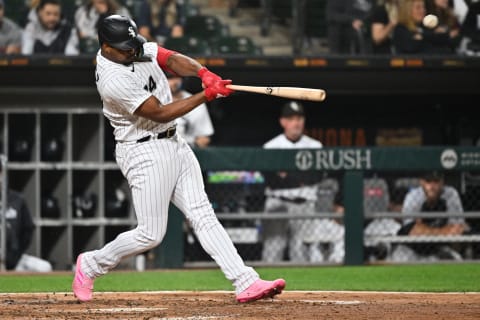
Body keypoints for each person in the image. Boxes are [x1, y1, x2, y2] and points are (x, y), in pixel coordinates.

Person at [72, 14, 285, 303]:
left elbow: (170, 58)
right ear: (105, 46)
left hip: (173, 142)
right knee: (150, 235)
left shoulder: (133, 47)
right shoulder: (112, 79)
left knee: (202, 213)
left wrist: (203, 73)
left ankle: (245, 281)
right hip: (142, 150)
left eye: (132, 45)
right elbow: (158, 112)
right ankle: (91, 264)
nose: (131, 51)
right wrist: (205, 96)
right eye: (124, 47)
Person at [261, 101, 325, 263]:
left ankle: (304, 288)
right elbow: (271, 180)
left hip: (304, 205)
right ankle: (266, 286)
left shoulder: (315, 146)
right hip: (277, 204)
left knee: (301, 253)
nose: (296, 123)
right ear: (283, 121)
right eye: (291, 118)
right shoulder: (270, 147)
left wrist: (287, 175)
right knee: (272, 251)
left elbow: (316, 177)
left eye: (299, 118)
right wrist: (299, 177)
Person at [391, 171, 469, 262]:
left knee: (457, 260)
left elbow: (457, 229)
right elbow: (413, 231)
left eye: (436, 181)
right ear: (421, 182)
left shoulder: (450, 194)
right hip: (410, 249)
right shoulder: (413, 197)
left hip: (437, 249)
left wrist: (426, 230)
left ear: (442, 182)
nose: (432, 186)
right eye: (428, 181)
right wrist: (444, 231)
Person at [0, 164, 52, 272]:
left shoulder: (16, 199)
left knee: (44, 267)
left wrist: (15, 254)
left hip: (14, 260)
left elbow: (28, 229)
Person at [392, 0, 459, 54]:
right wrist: (432, 36)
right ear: (407, 10)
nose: (423, 10)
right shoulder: (400, 29)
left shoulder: (424, 27)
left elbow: (444, 40)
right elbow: (412, 46)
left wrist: (422, 37)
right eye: (418, 8)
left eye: (423, 7)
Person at [167, 73, 215, 148]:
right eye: (169, 78)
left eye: (176, 77)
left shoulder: (196, 102)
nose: (173, 82)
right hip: (158, 147)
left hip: (186, 148)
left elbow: (204, 139)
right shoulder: (153, 101)